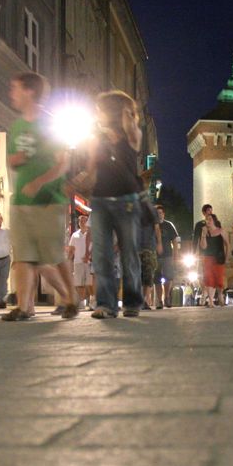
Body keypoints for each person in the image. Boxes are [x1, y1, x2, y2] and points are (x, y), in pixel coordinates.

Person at [3, 72, 77, 321]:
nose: (11, 93)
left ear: (29, 92)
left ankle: (70, 298)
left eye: (15, 88)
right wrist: (17, 160)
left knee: (52, 257)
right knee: (23, 256)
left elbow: (63, 163)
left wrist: (39, 182)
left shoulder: (49, 124)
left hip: (48, 201)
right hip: (21, 202)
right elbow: (12, 160)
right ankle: (24, 307)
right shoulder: (17, 126)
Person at [80, 90, 146, 318]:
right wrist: (73, 184)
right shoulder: (95, 139)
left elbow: (133, 124)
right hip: (99, 201)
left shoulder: (131, 136)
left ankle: (131, 302)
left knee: (129, 254)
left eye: (100, 110)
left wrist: (127, 109)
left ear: (111, 112)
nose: (97, 114)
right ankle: (106, 304)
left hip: (127, 201)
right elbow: (90, 171)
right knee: (102, 254)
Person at [198, 211, 227, 307]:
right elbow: (203, 247)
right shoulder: (205, 232)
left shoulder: (221, 231)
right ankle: (211, 301)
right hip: (208, 258)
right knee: (209, 279)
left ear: (214, 220)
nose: (208, 221)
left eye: (210, 219)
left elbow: (227, 244)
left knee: (219, 279)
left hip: (219, 258)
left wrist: (226, 257)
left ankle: (220, 294)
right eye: (206, 219)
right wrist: (203, 234)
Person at [155, 204, 179, 308]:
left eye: (161, 213)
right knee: (157, 279)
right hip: (155, 256)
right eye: (157, 213)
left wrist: (176, 254)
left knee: (168, 277)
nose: (159, 215)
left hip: (168, 255)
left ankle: (167, 297)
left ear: (164, 214)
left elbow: (174, 241)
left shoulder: (169, 225)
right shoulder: (152, 225)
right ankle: (159, 300)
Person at [66, 213, 92, 311]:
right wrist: (69, 260)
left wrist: (90, 256)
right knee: (79, 283)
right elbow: (72, 248)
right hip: (78, 261)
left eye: (84, 221)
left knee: (89, 283)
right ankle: (81, 301)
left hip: (89, 261)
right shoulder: (75, 235)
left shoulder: (90, 234)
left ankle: (92, 300)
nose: (82, 222)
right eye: (80, 221)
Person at [138, 203, 161, 311]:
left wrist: (159, 243)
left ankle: (144, 301)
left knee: (148, 275)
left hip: (149, 247)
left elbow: (156, 228)